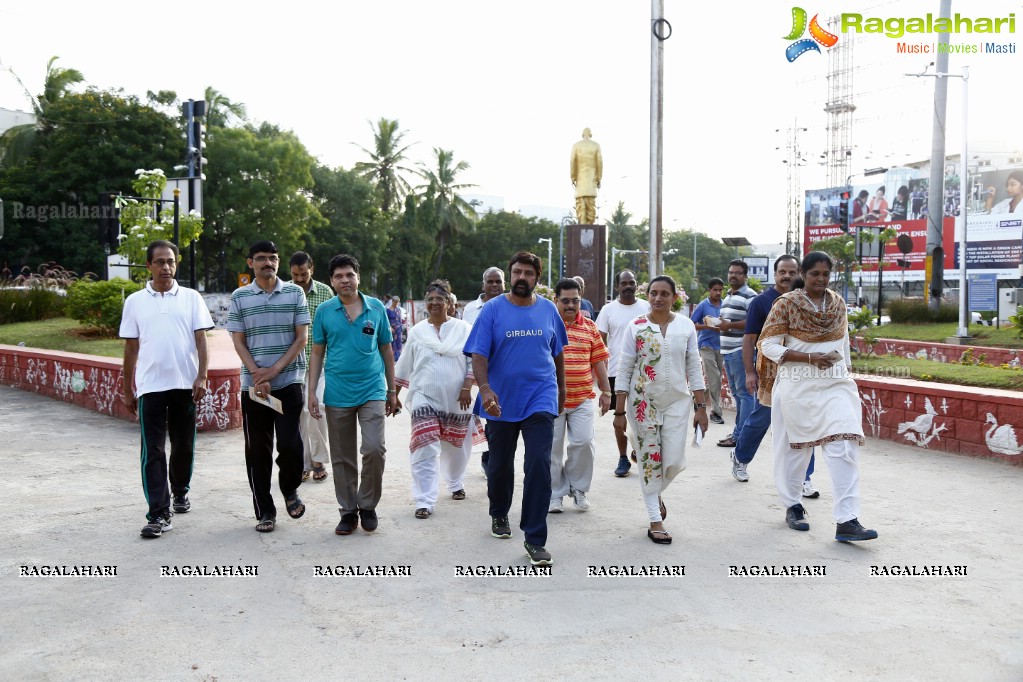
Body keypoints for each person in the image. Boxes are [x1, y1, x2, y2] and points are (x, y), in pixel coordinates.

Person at [757, 251, 878, 542]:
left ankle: (847, 520)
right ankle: (793, 505)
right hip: (797, 385)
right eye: (815, 274)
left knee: (844, 445)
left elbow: (844, 342)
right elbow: (767, 346)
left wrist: (846, 372)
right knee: (795, 452)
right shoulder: (786, 304)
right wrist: (808, 358)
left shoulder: (837, 303)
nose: (821, 279)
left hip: (835, 383)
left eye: (826, 274)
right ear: (804, 273)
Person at [464, 251, 567, 567]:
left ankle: (535, 538)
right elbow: (478, 355)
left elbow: (558, 354)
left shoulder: (549, 310)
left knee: (538, 463)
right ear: (511, 276)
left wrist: (561, 391)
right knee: (499, 465)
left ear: (537, 277)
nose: (522, 278)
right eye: (517, 272)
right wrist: (484, 388)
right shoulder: (493, 310)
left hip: (540, 397)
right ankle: (498, 513)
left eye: (528, 273)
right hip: (500, 402)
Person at [121, 240, 214, 538]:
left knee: (184, 445)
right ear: (148, 265)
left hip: (185, 386)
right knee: (153, 450)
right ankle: (158, 513)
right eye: (160, 261)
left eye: (170, 261)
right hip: (150, 387)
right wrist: (127, 389)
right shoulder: (135, 301)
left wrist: (201, 377)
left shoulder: (191, 298)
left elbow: (202, 340)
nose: (166, 267)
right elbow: (131, 348)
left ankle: (180, 491)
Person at [307, 254, 399, 536]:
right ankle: (348, 512)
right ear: (332, 281)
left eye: (349, 275)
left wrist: (392, 389)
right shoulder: (324, 311)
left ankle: (368, 505)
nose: (344, 280)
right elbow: (317, 352)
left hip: (372, 389)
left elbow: (386, 349)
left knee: (374, 449)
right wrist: (311, 391)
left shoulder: (375, 308)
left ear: (358, 277)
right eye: (338, 276)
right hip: (337, 392)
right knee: (342, 456)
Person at [614, 275, 708, 545]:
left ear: (674, 297)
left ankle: (653, 487)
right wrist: (619, 414)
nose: (658, 298)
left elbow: (694, 367)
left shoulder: (686, 326)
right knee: (650, 462)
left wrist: (701, 408)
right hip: (642, 403)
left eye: (664, 293)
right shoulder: (636, 326)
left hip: (678, 402)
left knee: (675, 460)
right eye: (653, 293)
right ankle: (655, 519)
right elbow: (624, 367)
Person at [228, 240, 310, 533]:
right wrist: (257, 374)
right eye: (261, 258)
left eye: (273, 258)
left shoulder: (294, 292)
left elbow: (301, 338)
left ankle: (290, 489)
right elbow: (238, 340)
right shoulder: (239, 297)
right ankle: (265, 511)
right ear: (250, 263)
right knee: (257, 452)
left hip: (289, 382)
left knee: (290, 445)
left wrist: (274, 370)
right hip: (254, 388)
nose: (268, 263)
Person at [395, 280, 485, 519]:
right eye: (431, 299)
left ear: (449, 303)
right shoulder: (417, 332)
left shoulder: (463, 329)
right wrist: (392, 395)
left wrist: (467, 386)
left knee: (457, 447)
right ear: (426, 303)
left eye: (440, 299)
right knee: (424, 445)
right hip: (425, 397)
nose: (435, 303)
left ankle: (455, 482)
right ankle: (424, 500)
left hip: (457, 399)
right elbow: (404, 365)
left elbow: (471, 360)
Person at [729, 256, 818, 497]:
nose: (786, 276)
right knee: (761, 419)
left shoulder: (808, 300)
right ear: (775, 274)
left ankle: (804, 477)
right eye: (782, 272)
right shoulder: (761, 302)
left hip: (801, 373)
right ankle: (740, 457)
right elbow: (749, 339)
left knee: (804, 423)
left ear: (799, 272)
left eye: (791, 271)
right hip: (769, 373)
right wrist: (749, 372)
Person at [549, 278, 611, 514]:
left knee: (583, 443)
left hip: (583, 398)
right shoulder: (547, 326)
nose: (571, 305)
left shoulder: (589, 327)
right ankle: (555, 494)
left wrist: (606, 391)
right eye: (565, 301)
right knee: (551, 450)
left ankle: (578, 488)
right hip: (551, 401)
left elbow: (598, 361)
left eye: (575, 300)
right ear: (556, 300)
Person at [596, 270, 650, 477]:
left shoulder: (646, 307)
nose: (628, 286)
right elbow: (598, 342)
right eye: (624, 283)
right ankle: (623, 457)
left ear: (637, 285)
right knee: (619, 417)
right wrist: (600, 377)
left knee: (642, 416)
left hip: (644, 373)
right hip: (616, 372)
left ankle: (639, 450)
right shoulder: (609, 310)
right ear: (617, 286)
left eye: (632, 282)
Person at [290, 251, 333, 483]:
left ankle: (317, 460)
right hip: (292, 363)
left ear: (312, 269)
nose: (299, 279)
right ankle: (303, 463)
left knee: (315, 409)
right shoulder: (285, 290)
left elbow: (331, 327)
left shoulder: (325, 292)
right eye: (295, 274)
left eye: (303, 274)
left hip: (319, 362)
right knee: (298, 414)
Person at [461, 266, 506, 476]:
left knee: (497, 417)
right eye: (491, 281)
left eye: (498, 281)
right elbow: (465, 343)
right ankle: (490, 457)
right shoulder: (470, 309)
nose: (495, 285)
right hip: (476, 371)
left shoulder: (511, 306)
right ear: (483, 285)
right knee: (485, 414)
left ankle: (491, 459)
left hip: (502, 372)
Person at [716, 260, 756, 449]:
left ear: (745, 276)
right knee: (739, 396)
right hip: (728, 352)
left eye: (738, 273)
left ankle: (742, 435)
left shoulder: (750, 296)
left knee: (745, 395)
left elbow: (755, 322)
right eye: (731, 272)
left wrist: (729, 325)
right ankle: (739, 433)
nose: (733, 276)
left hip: (741, 351)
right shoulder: (728, 296)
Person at [690, 278, 726, 425]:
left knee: (714, 379)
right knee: (715, 377)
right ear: (709, 290)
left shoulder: (725, 304)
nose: (717, 293)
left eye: (720, 290)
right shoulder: (703, 305)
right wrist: (707, 327)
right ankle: (715, 413)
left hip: (722, 345)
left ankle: (697, 399)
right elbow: (691, 324)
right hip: (706, 345)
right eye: (715, 290)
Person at [570, 127, 602, 225]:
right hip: (591, 181)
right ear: (590, 134)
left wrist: (573, 177)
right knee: (590, 206)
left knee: (581, 205)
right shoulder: (596, 146)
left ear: (582, 134)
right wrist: (599, 178)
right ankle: (589, 228)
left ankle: (582, 227)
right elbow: (599, 163)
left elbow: (572, 162)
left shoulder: (576, 146)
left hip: (580, 180)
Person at [386, 295, 404, 361]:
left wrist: (401, 327)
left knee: (399, 343)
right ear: (392, 301)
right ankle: (392, 359)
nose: (396, 304)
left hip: (399, 330)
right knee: (393, 344)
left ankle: (399, 358)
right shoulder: (388, 310)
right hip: (392, 330)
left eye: (397, 302)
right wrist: (390, 327)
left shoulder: (399, 309)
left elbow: (400, 319)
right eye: (395, 302)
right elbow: (386, 321)